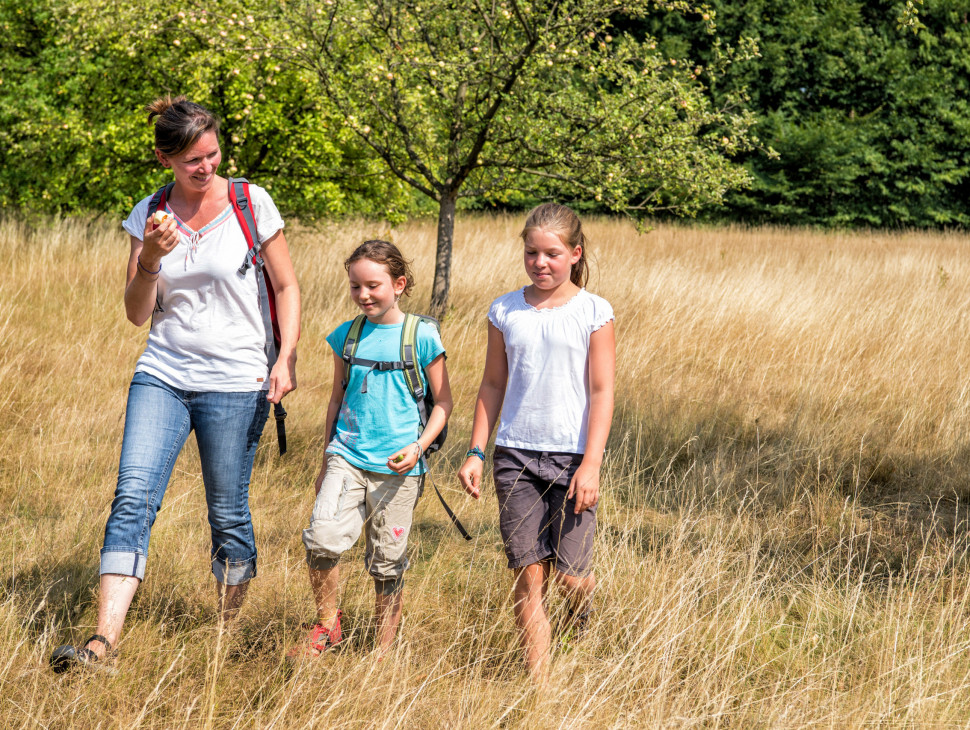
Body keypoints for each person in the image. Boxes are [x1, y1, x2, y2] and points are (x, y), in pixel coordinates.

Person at [50, 96, 301, 671]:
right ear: (164, 158)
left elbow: (286, 287)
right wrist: (150, 262)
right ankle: (101, 644)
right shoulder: (150, 214)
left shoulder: (250, 201)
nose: (206, 167)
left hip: (238, 378)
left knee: (227, 512)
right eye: (192, 160)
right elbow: (138, 313)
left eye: (212, 154)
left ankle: (222, 639)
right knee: (132, 498)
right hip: (162, 372)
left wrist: (285, 359)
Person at [457, 203, 615, 681]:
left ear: (574, 253)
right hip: (515, 457)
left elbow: (602, 390)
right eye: (531, 253)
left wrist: (591, 465)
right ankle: (539, 688)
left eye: (551, 253)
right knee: (529, 574)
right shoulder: (505, 310)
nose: (540, 262)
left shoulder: (594, 311)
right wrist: (476, 451)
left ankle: (580, 619)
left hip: (572, 459)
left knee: (572, 577)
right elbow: (491, 385)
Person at [288, 240, 452, 660]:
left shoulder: (422, 336)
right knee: (321, 539)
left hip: (399, 468)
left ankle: (384, 649)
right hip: (347, 457)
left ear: (399, 284)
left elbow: (444, 404)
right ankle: (327, 625)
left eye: (373, 285)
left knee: (387, 561)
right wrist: (327, 459)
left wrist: (419, 448)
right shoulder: (347, 336)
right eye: (355, 286)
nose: (364, 295)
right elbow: (336, 398)